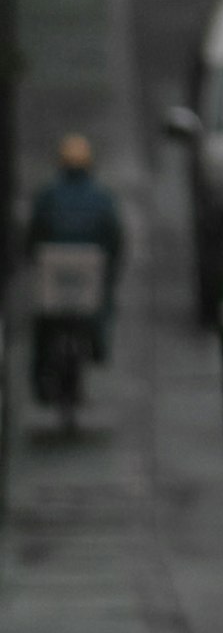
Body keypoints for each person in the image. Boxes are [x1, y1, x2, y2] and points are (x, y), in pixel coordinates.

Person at [25, 128, 123, 426]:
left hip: (53, 277)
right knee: (99, 311)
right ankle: (97, 348)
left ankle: (42, 377)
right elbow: (116, 240)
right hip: (89, 277)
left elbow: (32, 238)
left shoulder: (47, 196)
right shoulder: (102, 198)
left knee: (43, 324)